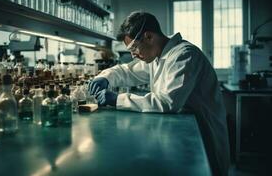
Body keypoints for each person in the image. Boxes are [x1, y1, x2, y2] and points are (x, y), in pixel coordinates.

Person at [88, 11, 230, 176]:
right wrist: (105, 77)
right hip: (181, 130)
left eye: (134, 48)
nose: (133, 54)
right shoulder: (156, 56)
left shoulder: (184, 55)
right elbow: (128, 71)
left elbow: (167, 102)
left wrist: (116, 99)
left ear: (148, 37)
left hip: (203, 132)